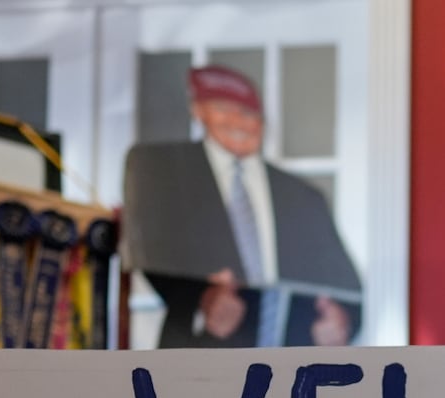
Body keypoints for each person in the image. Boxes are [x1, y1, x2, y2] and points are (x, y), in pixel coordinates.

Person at [123, 64, 362, 348]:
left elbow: (346, 285)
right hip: (201, 359)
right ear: (198, 111)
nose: (237, 121)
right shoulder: (166, 174)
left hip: (292, 368)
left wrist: (342, 320)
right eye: (223, 108)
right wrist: (203, 299)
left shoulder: (302, 196)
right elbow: (151, 249)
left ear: (262, 122)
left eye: (248, 113)